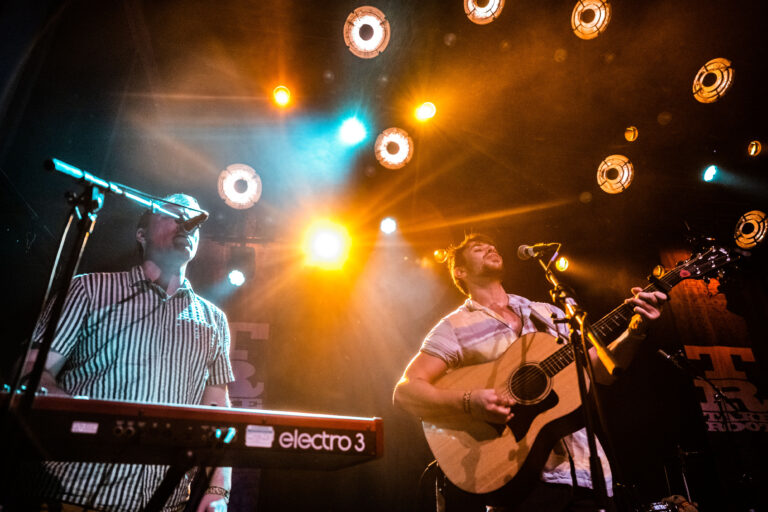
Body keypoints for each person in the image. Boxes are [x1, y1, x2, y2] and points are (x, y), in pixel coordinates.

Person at [393, 233, 668, 511]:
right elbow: (406, 390)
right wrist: (470, 402)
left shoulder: (548, 313)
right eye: (478, 248)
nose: (490, 247)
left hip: (587, 474)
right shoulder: (454, 326)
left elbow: (601, 370)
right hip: (519, 481)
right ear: (459, 271)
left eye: (492, 246)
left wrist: (635, 331)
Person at [19, 193, 234, 512]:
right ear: (141, 234)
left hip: (164, 504)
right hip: (73, 495)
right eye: (173, 214)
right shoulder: (89, 289)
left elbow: (217, 413)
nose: (187, 224)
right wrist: (77, 414)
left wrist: (219, 489)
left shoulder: (213, 320)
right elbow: (31, 371)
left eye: (194, 220)